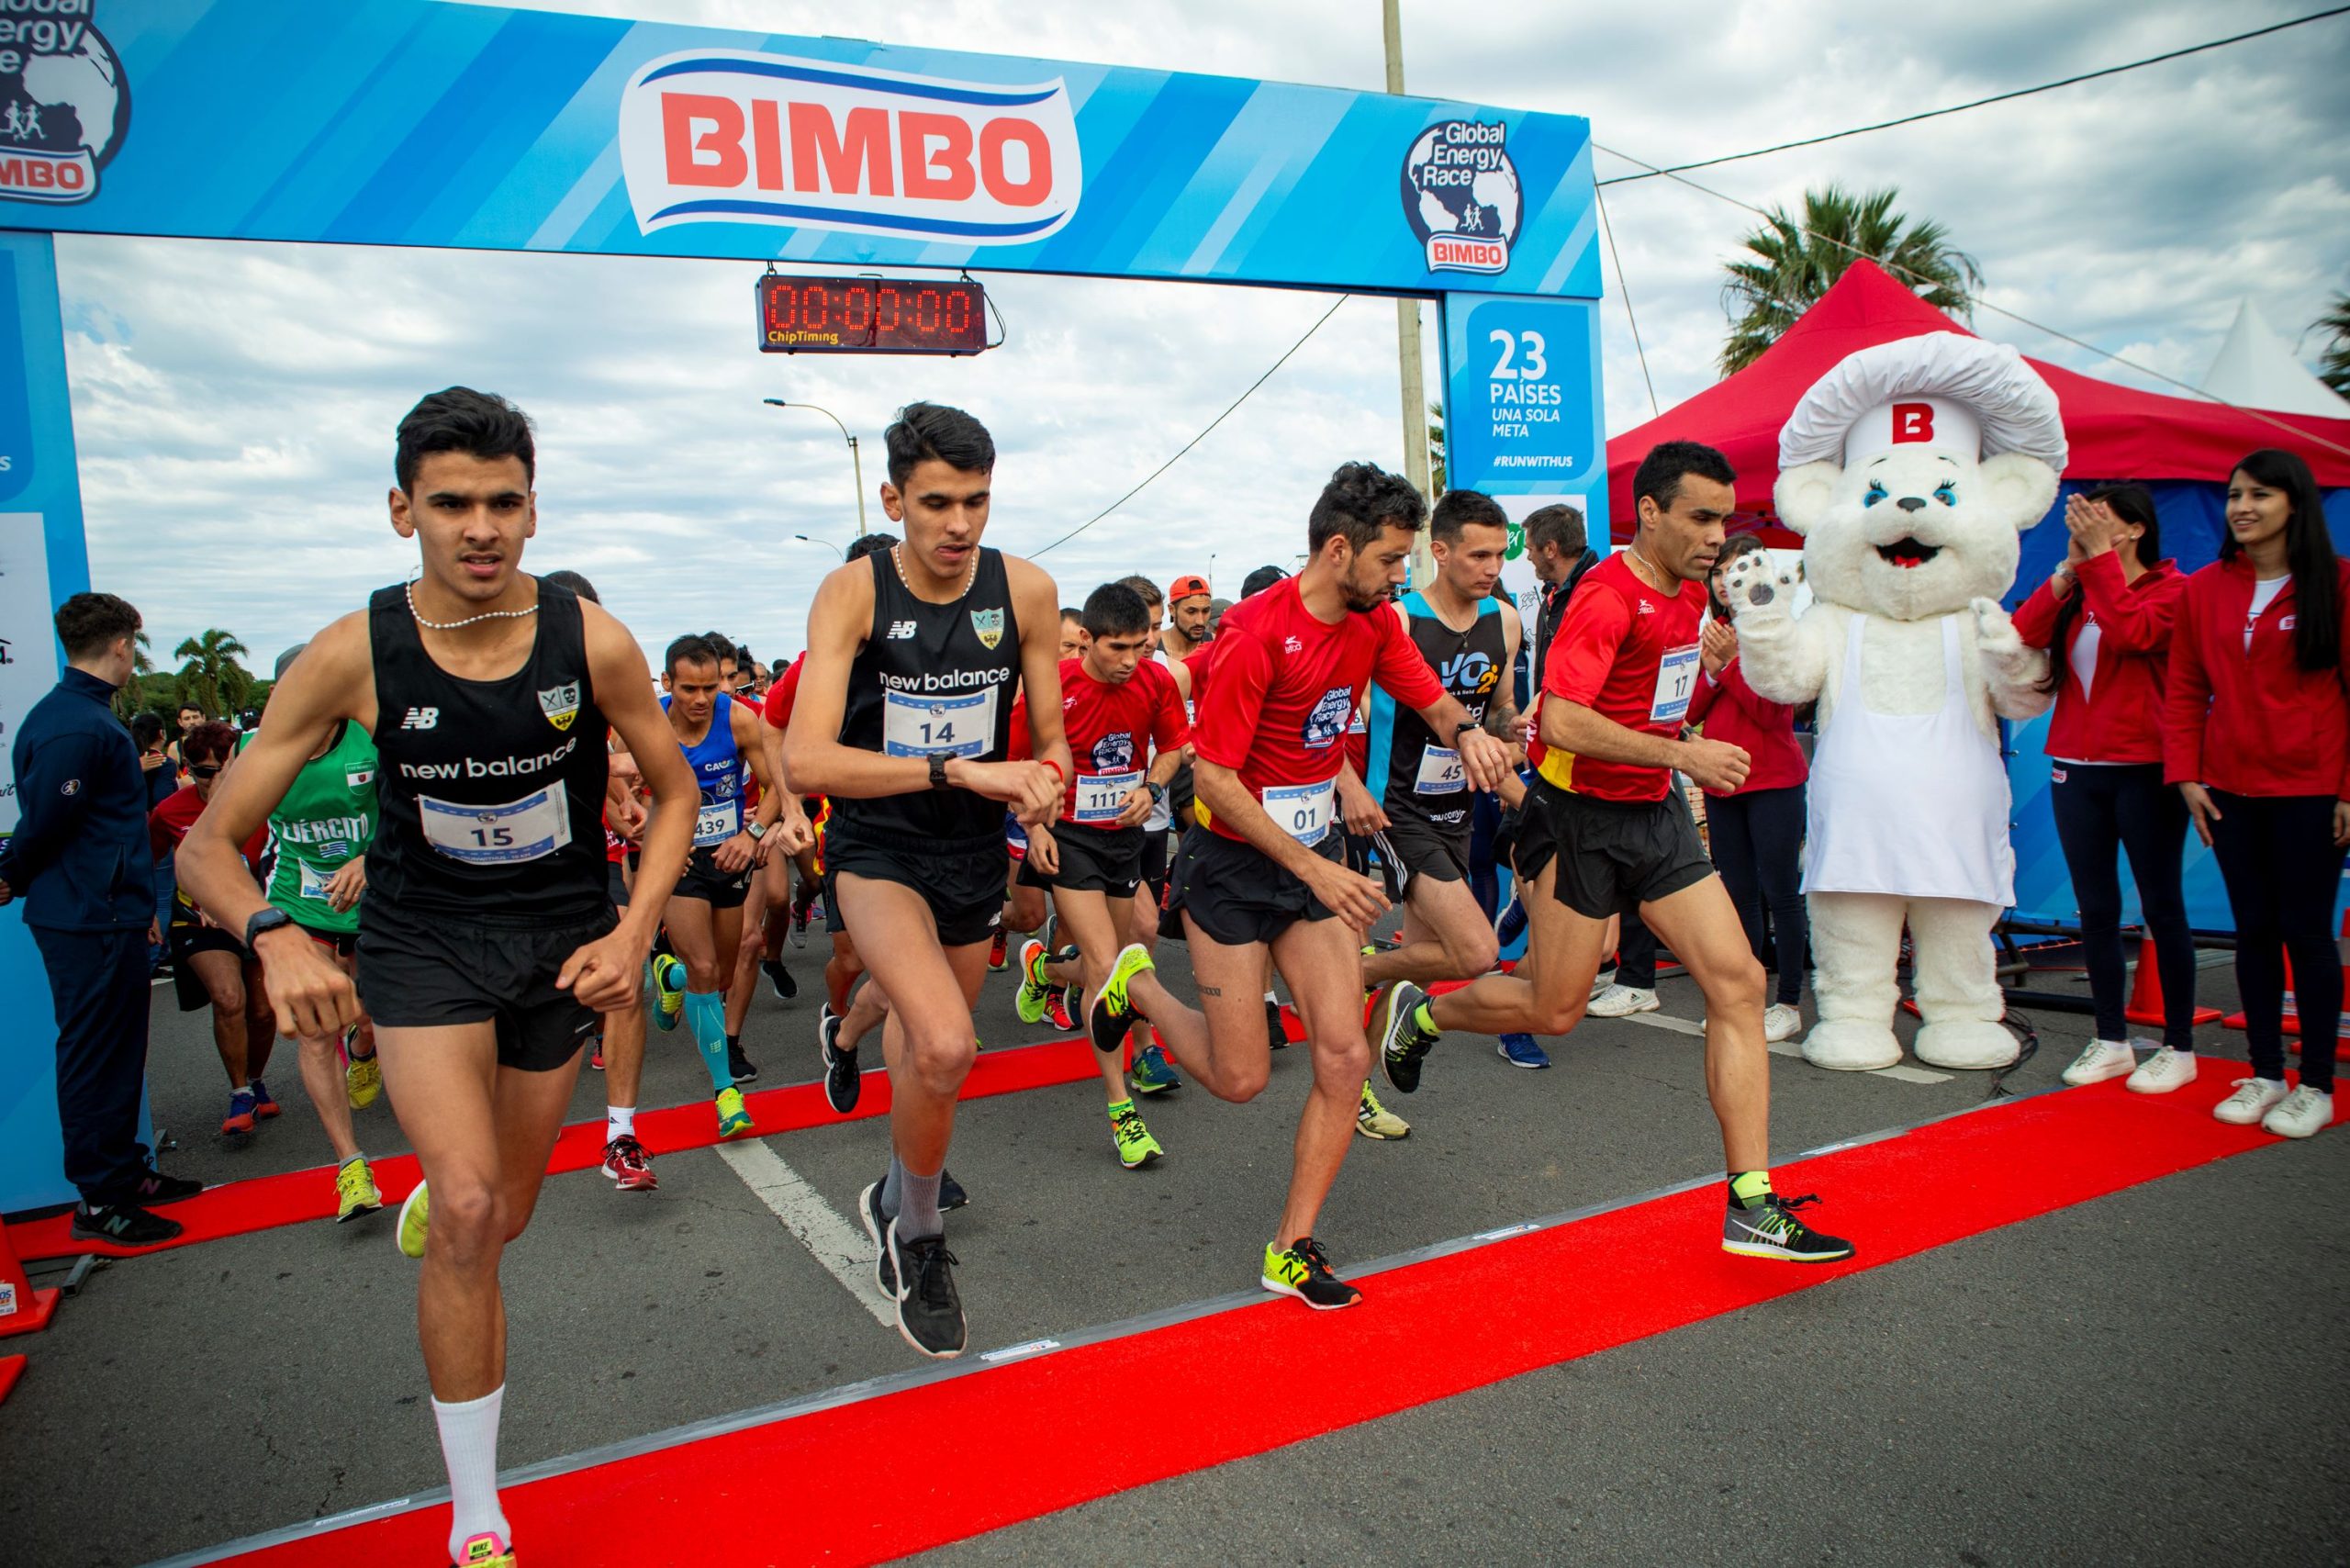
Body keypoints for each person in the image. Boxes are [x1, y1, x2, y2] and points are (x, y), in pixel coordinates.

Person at [177, 386, 697, 1568]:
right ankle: (478, 1514)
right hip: (422, 950)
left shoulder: (591, 639)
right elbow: (205, 842)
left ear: (532, 510)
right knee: (467, 1213)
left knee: (503, 1214)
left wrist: (634, 932)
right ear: (401, 509)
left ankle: (454, 1198)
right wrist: (275, 932)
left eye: (504, 502)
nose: (480, 527)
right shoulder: (352, 653)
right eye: (452, 502)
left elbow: (671, 794)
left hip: (557, 949)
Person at [1372, 440, 1856, 1265]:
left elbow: (1659, 707)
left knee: (1737, 982)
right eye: (1701, 517)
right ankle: (1427, 1012)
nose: (1716, 536)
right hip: (1576, 821)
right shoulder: (1605, 597)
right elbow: (1560, 722)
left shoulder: (1691, 598)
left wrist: (1699, 698)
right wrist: (1685, 757)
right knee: (1554, 1010)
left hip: (1654, 818)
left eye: (1725, 519)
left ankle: (1750, 1201)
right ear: (1652, 513)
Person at [1086, 462, 1512, 1309]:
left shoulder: (1375, 622)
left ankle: (1292, 1246)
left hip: (1312, 855)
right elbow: (1214, 783)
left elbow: (1428, 698)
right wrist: (1314, 861)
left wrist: (1467, 734)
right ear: (1339, 548)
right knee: (1241, 1078)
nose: (1401, 578)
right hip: (1236, 865)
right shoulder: (1252, 636)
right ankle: (1135, 990)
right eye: (1392, 561)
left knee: (1344, 1054)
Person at [783, 401, 1069, 1360]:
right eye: (937, 503)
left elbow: (1053, 731)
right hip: (878, 848)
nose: (958, 525)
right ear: (893, 497)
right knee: (949, 1044)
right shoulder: (852, 593)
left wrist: (1044, 783)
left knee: (921, 1051)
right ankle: (918, 1233)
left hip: (971, 852)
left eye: (976, 502)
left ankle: (891, 1189)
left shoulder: (1024, 591)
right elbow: (810, 760)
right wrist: (960, 769)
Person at [0, 592, 199, 1248]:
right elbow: (46, 823)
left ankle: (123, 1175)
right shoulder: (75, 725)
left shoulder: (83, 716)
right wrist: (10, 876)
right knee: (93, 1057)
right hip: (85, 916)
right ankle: (98, 1198)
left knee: (116, 1054)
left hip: (106, 912)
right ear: (122, 645)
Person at [2164, 449, 2348, 1139]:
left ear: (2294, 504)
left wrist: (2348, 790)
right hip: (2229, 790)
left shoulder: (2337, 584)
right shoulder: (2206, 588)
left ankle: (2319, 1084)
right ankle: (2267, 1072)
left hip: (2310, 788)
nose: (2242, 507)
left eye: (2260, 495)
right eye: (2236, 494)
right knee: (2255, 933)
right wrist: (2186, 773)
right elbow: (2184, 687)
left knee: (2307, 933)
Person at [2011, 486, 2197, 1091]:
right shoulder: (2085, 585)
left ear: (2137, 530)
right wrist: (2069, 569)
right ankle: (2111, 1038)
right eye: (2085, 520)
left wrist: (2098, 566)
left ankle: (2179, 1045)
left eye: (2103, 520)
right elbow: (2024, 630)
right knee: (2095, 909)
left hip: (2145, 767)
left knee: (2161, 904)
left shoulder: (2174, 591)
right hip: (2075, 765)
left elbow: (2134, 635)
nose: (2090, 528)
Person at [1011, 582, 1189, 1166]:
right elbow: (1015, 766)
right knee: (1109, 969)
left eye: (1142, 646)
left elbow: (1172, 747)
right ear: (1084, 639)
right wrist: (1035, 827)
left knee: (1121, 952)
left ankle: (1044, 970)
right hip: (1069, 838)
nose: (1131, 661)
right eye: (1118, 648)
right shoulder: (1052, 689)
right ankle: (1121, 1111)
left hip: (1125, 837)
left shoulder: (1155, 680)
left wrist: (1152, 786)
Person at [1356, 491, 1525, 1068]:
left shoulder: (1504, 619)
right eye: (1479, 556)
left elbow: (1498, 707)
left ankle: (1358, 1089)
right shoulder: (1398, 621)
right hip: (1396, 805)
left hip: (1459, 802)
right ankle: (1350, 970)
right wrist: (1348, 787)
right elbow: (1342, 716)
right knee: (1474, 951)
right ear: (1440, 552)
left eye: (1501, 556)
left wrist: (1512, 729)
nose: (1493, 569)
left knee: (1419, 965)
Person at [241, 641, 388, 1220]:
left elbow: (414, 809)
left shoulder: (369, 736)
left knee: (369, 1007)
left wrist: (371, 857)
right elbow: (233, 826)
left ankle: (366, 1042)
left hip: (378, 895)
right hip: (300, 904)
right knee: (312, 1030)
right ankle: (351, 1168)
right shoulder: (257, 748)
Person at [643, 633, 795, 1136]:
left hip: (731, 857)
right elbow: (620, 782)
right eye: (689, 689)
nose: (701, 699)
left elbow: (777, 784)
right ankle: (725, 1093)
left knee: (723, 973)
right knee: (707, 968)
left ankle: (671, 979)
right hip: (679, 866)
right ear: (668, 683)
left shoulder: (737, 718)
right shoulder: (647, 721)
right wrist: (654, 831)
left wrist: (751, 835)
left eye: (710, 687)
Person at [1688, 532, 1811, 1045]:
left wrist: (1728, 668)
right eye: (1718, 572)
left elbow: (1772, 712)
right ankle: (1746, 998)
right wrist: (1716, 673)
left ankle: (1788, 1003)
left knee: (1780, 892)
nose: (1725, 581)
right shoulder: (1713, 632)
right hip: (1723, 782)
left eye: (1736, 570)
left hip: (1773, 781)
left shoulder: (1776, 630)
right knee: (1737, 895)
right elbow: (1690, 711)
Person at [150, 720, 278, 1140]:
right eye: (205, 772)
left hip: (255, 916)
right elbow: (146, 863)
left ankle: (256, 1081)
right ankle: (239, 1092)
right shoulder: (169, 811)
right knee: (228, 998)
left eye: (227, 770)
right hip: (197, 922)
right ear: (188, 769)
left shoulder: (265, 803)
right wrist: (147, 910)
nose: (216, 781)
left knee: (263, 1011)